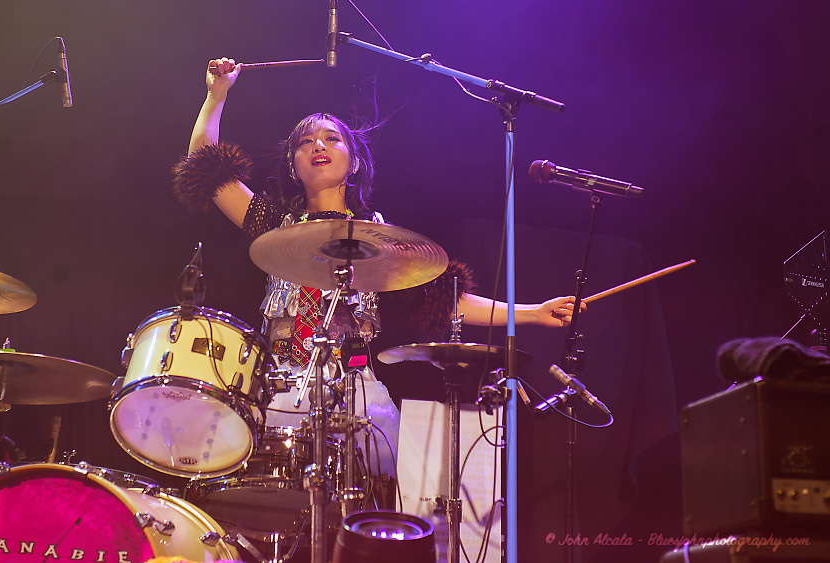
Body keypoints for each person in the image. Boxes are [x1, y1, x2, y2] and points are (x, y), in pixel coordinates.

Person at [172, 57, 580, 484]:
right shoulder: (275, 223)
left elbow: (450, 300)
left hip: (358, 395)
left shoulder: (380, 239)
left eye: (332, 139)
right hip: (279, 392)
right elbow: (205, 164)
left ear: (354, 161)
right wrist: (216, 96)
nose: (318, 146)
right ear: (293, 166)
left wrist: (533, 313)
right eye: (306, 141)